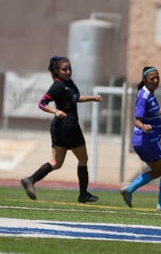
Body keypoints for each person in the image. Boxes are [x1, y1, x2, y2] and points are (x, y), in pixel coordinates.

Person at [20, 56, 103, 203]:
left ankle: (30, 180)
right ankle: (83, 194)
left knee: (56, 163)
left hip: (61, 127)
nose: (68, 71)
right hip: (68, 126)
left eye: (69, 68)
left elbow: (75, 98)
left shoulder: (68, 83)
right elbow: (42, 103)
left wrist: (92, 98)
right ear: (57, 71)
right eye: (64, 69)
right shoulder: (58, 85)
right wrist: (55, 111)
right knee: (83, 159)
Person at [120, 66, 161, 212]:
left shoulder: (148, 95)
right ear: (145, 80)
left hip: (142, 141)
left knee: (157, 171)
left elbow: (154, 113)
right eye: (152, 78)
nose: (156, 80)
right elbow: (137, 120)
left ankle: (129, 189)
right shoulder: (144, 95)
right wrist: (143, 126)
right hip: (148, 140)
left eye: (157, 77)